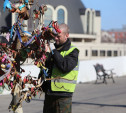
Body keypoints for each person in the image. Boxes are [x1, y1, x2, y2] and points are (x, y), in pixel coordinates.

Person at [42, 23, 79, 113]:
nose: (55, 38)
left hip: (63, 97)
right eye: (55, 36)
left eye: (58, 36)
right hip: (49, 94)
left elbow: (64, 66)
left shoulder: (73, 51)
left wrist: (53, 51)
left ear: (66, 35)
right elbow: (46, 68)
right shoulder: (53, 50)